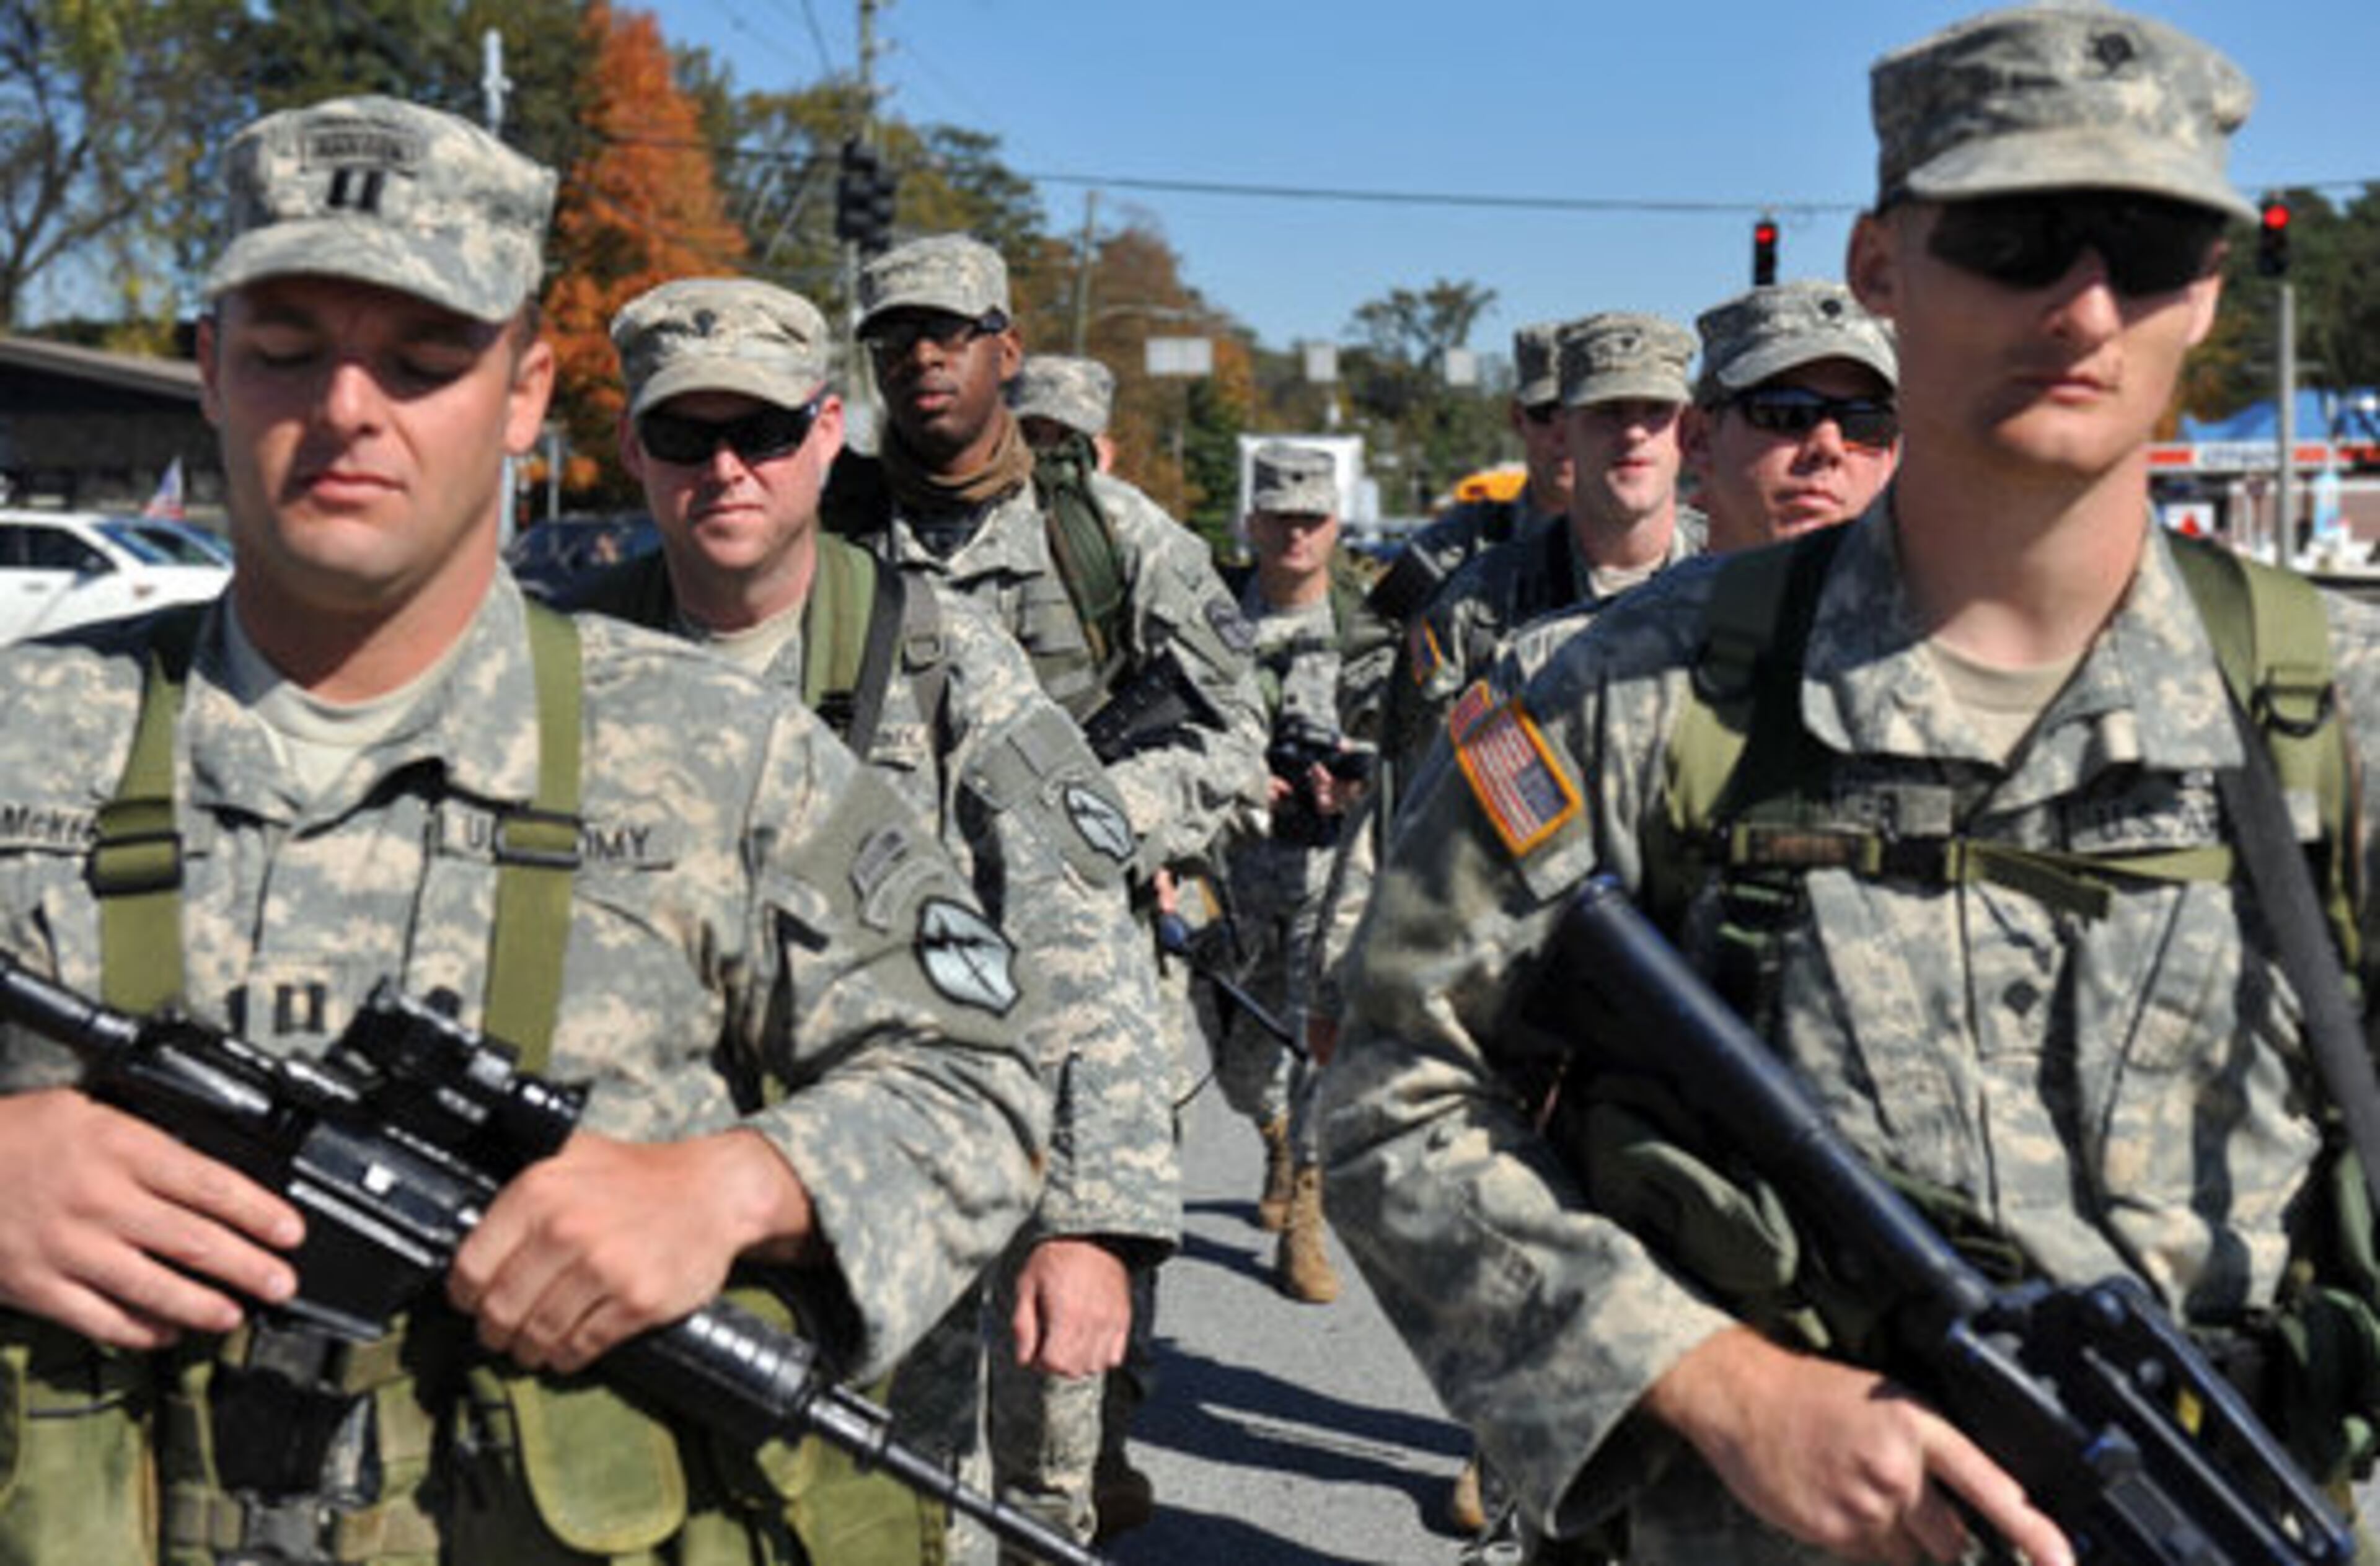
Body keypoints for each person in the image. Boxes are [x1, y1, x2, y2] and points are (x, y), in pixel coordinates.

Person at [1321, 7, 2379, 1564]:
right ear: (1881, 265)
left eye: (2147, 248)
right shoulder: (1625, 693)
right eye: (2015, 236)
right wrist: (1712, 1383)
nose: (2082, 305)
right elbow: (1384, 1091)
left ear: (2207, 291)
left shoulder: (2337, 711)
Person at [0, 97, 1045, 1566]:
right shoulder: (29, 732)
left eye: (426, 359)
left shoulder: (714, 755)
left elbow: (984, 1079)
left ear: (523, 394)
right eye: (291, 348)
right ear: (210, 369)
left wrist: (730, 1188)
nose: (349, 407)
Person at [579, 276, 1178, 1566]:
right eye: (687, 435)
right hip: (616, 1232)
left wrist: (1087, 1223)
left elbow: (1077, 940)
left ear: (828, 431)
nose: (728, 469)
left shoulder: (939, 659)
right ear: (634, 447)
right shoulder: (562, 663)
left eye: (768, 432)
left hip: (884, 1252)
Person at [834, 233, 1269, 1547]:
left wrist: (1082, 819)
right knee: (882, 1389)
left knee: (1053, 1401)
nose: (921, 358)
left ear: (1005, 353)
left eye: (950, 333)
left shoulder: (1110, 538)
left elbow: (1232, 740)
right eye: (896, 337)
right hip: (875, 989)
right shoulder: (833, 529)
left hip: (1067, 992)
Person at [1209, 442, 1382, 1305]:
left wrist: (1354, 772)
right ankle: (1274, 1135)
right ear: (1253, 522)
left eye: (1311, 519)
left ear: (1336, 526)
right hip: (1236, 868)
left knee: (1323, 1038)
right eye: (1278, 517)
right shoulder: (1212, 616)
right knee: (1234, 1062)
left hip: (1332, 871)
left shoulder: (1367, 623)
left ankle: (1307, 1213)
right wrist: (1243, 776)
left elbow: (1412, 738)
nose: (1295, 534)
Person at [1683, 279, 1901, 556]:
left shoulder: (1941, 598)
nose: (1828, 447)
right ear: (1698, 438)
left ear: (1890, 458)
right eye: (1786, 414)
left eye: (1865, 422)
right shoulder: (1650, 601)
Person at [1010, 353, 1119, 473]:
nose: (1046, 452)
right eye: (1029, 434)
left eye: (1069, 438)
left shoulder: (1116, 491)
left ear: (1105, 453)